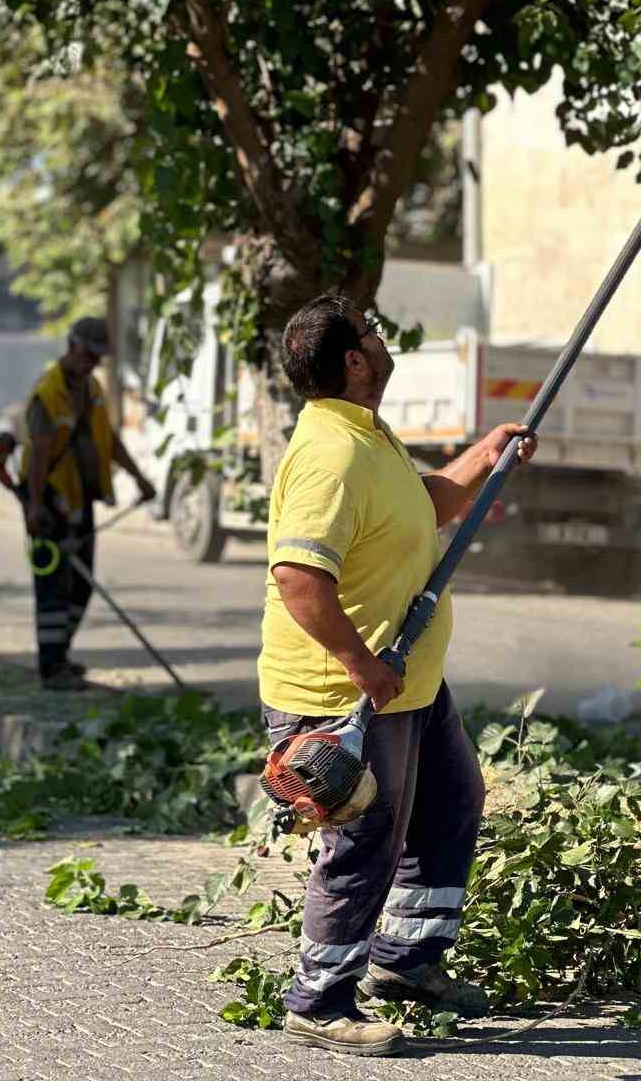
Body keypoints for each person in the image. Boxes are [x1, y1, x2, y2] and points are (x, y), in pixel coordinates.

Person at [259, 294, 538, 1057]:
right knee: (363, 841)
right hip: (343, 695)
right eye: (373, 336)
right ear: (354, 359)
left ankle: (408, 963)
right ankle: (319, 1003)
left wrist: (486, 456)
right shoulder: (330, 455)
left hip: (406, 683)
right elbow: (297, 577)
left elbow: (427, 505)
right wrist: (362, 666)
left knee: (452, 800)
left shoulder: (367, 434)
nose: (384, 344)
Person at [20, 316, 156, 691]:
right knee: (52, 586)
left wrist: (140, 478)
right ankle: (51, 670)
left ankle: (60, 656)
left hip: (80, 498)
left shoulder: (92, 389)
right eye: (90, 354)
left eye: (99, 356)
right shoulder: (48, 394)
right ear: (74, 348)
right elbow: (37, 457)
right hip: (47, 500)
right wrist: (33, 507)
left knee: (80, 585)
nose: (95, 362)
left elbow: (108, 440)